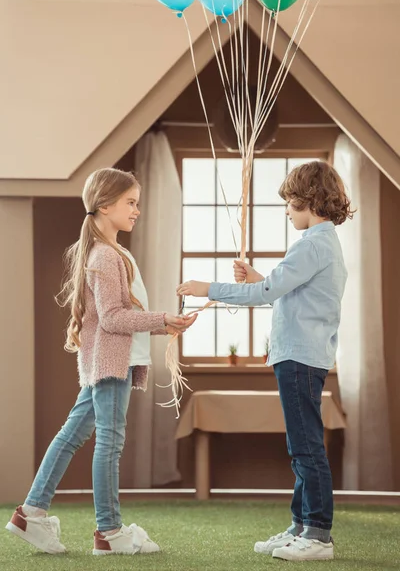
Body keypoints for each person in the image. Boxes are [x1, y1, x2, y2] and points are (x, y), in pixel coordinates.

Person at [6, 167, 197, 556]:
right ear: (105, 205)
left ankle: (31, 513)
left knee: (73, 435)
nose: (137, 210)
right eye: (130, 203)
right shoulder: (106, 255)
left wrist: (162, 325)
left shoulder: (110, 252)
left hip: (107, 361)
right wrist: (163, 320)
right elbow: (112, 318)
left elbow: (113, 316)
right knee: (109, 443)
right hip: (111, 362)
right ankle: (109, 533)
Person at [177, 160, 354, 562]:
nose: (287, 211)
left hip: (300, 357)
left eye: (291, 204)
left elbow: (267, 294)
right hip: (302, 356)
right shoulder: (320, 244)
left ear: (311, 202)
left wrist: (210, 288)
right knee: (302, 445)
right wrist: (257, 276)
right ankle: (301, 526)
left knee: (306, 447)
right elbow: (287, 290)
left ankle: (318, 534)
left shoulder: (311, 244)